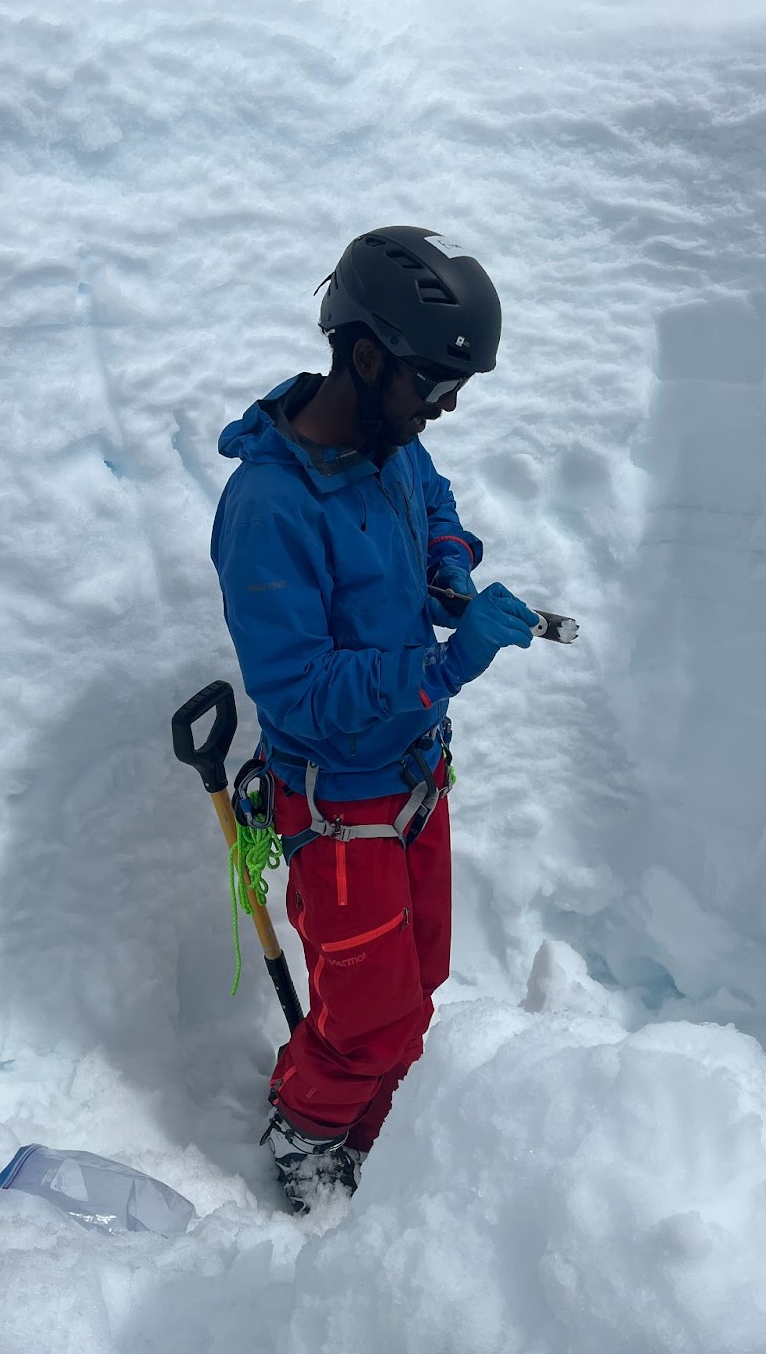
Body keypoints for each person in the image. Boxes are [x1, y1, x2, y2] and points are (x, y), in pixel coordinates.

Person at [210, 226, 539, 1212]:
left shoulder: (390, 445)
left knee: (419, 981)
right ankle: (306, 1131)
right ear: (365, 356)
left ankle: (376, 1122)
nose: (444, 409)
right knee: (372, 1011)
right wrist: (446, 664)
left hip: (413, 778)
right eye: (435, 385)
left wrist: (450, 565)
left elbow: (428, 496)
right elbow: (303, 690)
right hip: (339, 805)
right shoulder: (269, 508)